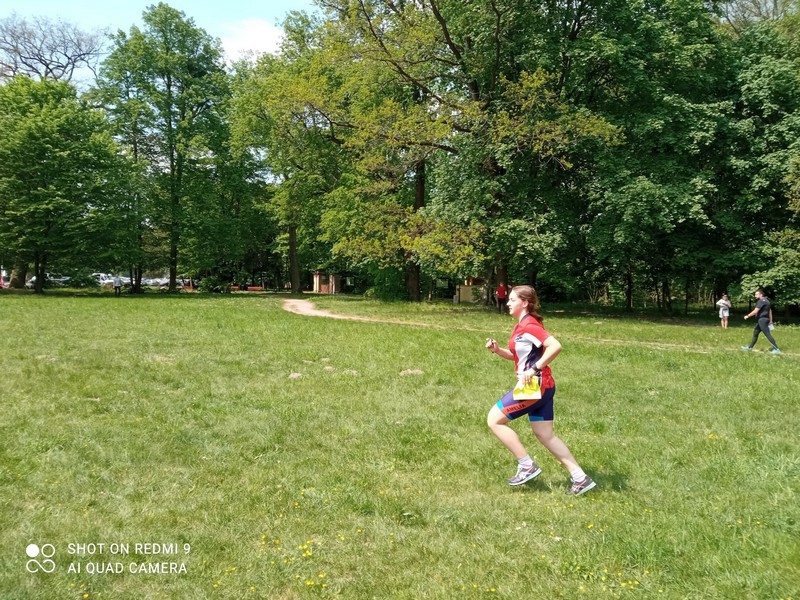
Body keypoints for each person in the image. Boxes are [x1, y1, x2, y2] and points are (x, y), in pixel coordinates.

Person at [485, 285, 596, 495]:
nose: (507, 303)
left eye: (512, 300)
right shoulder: (523, 326)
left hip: (534, 387)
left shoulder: (529, 325)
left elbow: (555, 346)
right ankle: (581, 478)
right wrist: (498, 350)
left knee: (494, 420)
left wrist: (535, 369)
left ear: (525, 303)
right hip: (544, 386)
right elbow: (520, 358)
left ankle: (526, 465)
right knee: (545, 434)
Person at [742, 289, 781, 354]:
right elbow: (770, 311)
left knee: (767, 334)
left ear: (761, 294)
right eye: (755, 294)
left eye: (756, 294)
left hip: (762, 320)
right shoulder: (767, 301)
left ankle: (776, 349)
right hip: (764, 320)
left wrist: (748, 316)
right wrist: (771, 320)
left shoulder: (761, 301)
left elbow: (756, 311)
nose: (755, 296)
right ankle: (750, 347)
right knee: (755, 333)